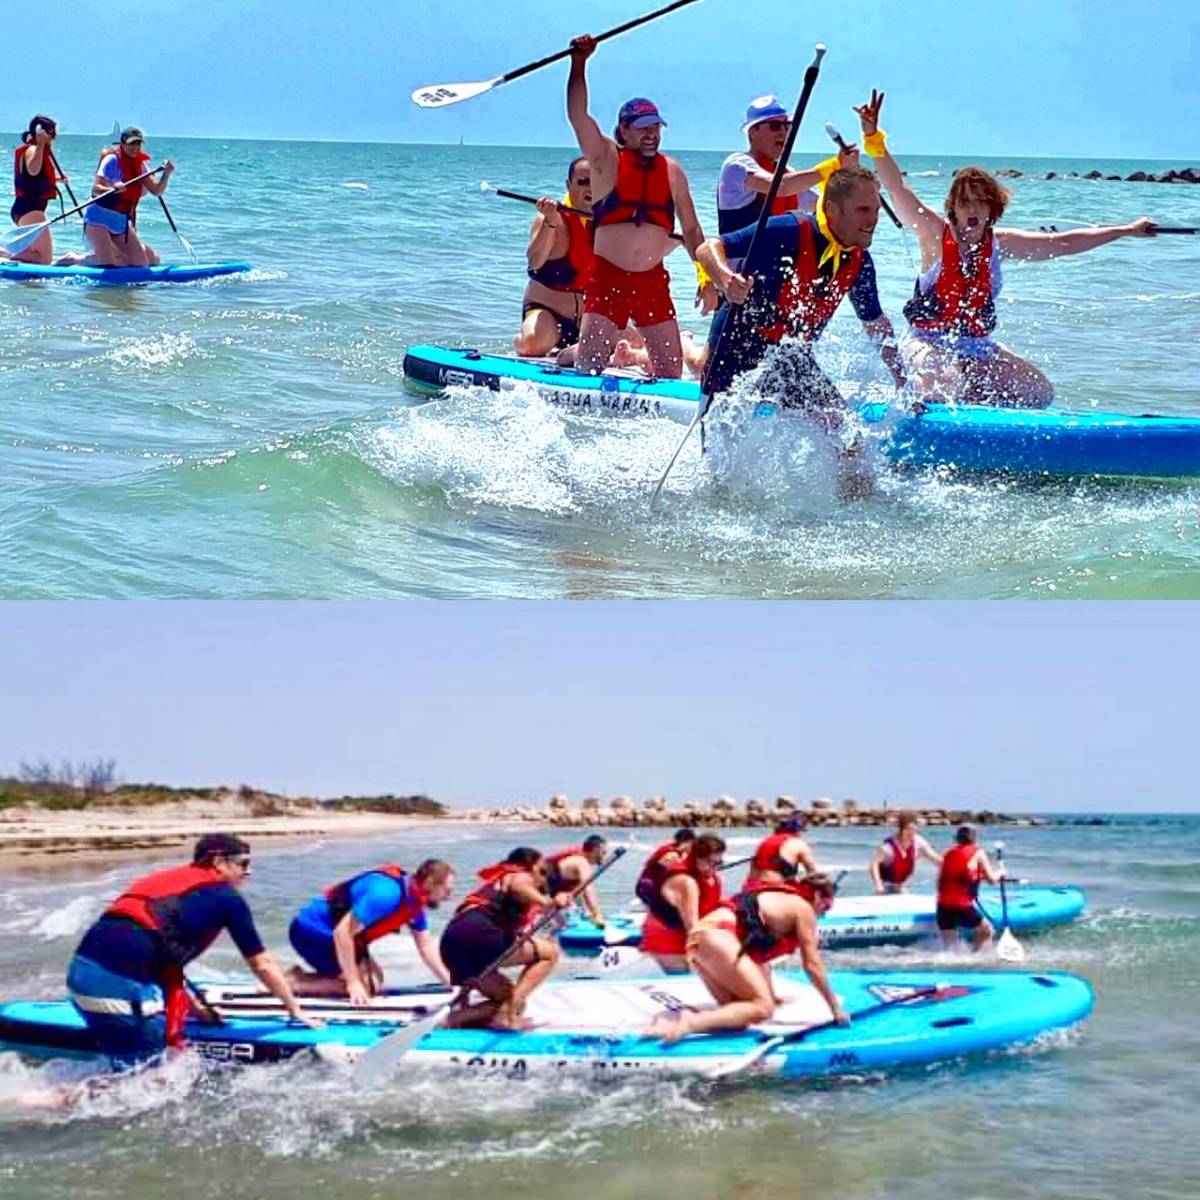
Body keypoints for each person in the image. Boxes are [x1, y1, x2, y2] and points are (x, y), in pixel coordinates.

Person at [853, 89, 1159, 408]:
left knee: (1038, 392)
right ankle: (926, 404)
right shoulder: (933, 235)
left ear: (992, 210)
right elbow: (895, 187)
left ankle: (978, 415)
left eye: (980, 203)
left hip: (976, 346)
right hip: (926, 342)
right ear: (953, 208)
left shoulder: (999, 244)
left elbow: (1065, 243)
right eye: (965, 202)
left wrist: (1126, 230)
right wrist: (873, 137)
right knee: (942, 382)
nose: (972, 210)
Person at [695, 165, 908, 500]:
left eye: (877, 210)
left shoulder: (860, 263)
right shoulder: (787, 231)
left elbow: (876, 324)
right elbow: (709, 248)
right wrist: (725, 280)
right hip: (734, 351)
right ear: (833, 210)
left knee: (850, 438)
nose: (873, 219)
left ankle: (858, 516)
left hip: (789, 358)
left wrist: (903, 380)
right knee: (718, 464)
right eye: (863, 210)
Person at [65, 834, 319, 1066]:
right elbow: (262, 963)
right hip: (119, 991)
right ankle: (43, 1100)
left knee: (133, 1068)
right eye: (243, 863)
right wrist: (294, 1009)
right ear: (218, 862)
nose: (249, 872)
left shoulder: (161, 881)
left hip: (81, 975)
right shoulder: (227, 898)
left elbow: (147, 946)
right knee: (152, 1081)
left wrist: (196, 1010)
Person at [565, 34, 705, 379]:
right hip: (607, 278)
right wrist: (578, 64)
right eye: (643, 128)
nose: (651, 134)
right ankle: (569, 354)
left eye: (656, 128)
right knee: (587, 370)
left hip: (652, 283)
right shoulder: (605, 159)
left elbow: (691, 230)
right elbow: (578, 114)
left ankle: (624, 355)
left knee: (671, 373)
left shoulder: (672, 170)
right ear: (624, 131)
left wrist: (706, 275)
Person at [648, 873, 848, 1041]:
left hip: (700, 941)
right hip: (717, 937)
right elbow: (812, 965)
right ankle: (691, 1022)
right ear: (817, 895)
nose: (822, 915)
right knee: (763, 1008)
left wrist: (772, 994)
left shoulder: (776, 898)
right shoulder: (803, 908)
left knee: (738, 1014)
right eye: (825, 908)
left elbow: (760, 961)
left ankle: (667, 1022)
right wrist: (835, 1008)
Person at [287, 858, 454, 1002]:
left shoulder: (413, 900)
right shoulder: (386, 895)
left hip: (335, 936)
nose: (448, 896)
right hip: (312, 932)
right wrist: (353, 983)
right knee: (366, 987)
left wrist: (451, 983)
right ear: (430, 882)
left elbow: (426, 946)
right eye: (446, 890)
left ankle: (299, 976)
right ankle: (290, 983)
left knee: (375, 980)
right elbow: (342, 933)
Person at [438, 847, 566, 1030]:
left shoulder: (496, 884)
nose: (544, 879)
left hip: (452, 944)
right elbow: (519, 886)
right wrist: (548, 903)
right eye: (543, 871)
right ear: (529, 867)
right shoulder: (519, 875)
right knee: (550, 953)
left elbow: (556, 923)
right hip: (481, 934)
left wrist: (555, 909)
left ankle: (456, 1019)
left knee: (507, 998)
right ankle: (508, 1016)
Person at [718, 95, 857, 238]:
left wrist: (850, 174)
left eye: (786, 125)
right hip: (741, 259)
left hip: (778, 258)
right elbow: (780, 187)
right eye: (775, 126)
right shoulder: (737, 165)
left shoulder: (788, 173)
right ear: (753, 132)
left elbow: (822, 205)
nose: (783, 132)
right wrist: (834, 164)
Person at [516, 157, 596, 357]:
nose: (590, 189)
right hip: (549, 316)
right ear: (569, 185)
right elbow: (535, 261)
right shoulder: (551, 219)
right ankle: (523, 341)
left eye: (596, 182)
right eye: (583, 182)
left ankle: (578, 351)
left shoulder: (608, 224)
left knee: (635, 342)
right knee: (532, 344)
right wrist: (550, 222)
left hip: (588, 320)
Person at [80, 126, 175, 268]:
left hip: (120, 222)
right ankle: (74, 260)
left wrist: (166, 174)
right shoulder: (111, 160)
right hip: (98, 219)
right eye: (131, 143)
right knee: (108, 265)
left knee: (141, 265)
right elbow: (95, 189)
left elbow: (156, 191)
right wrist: (112, 189)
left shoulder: (141, 166)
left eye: (138, 143)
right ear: (123, 143)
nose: (135, 147)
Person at [635, 832, 726, 973]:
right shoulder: (686, 883)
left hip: (683, 935)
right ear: (695, 858)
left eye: (718, 863)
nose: (713, 868)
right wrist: (696, 956)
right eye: (709, 862)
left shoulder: (710, 878)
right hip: (667, 939)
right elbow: (692, 926)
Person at [8, 115, 67, 265]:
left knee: (36, 254)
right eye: (52, 134)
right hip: (30, 209)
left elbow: (34, 179)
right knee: (44, 258)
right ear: (41, 133)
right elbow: (33, 170)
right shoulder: (33, 149)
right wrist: (40, 145)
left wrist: (57, 181)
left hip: (26, 208)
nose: (54, 138)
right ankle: (4, 253)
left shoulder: (35, 150)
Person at [936, 825, 1004, 951]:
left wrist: (977, 877)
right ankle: (975, 958)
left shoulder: (949, 854)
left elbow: (950, 878)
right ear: (974, 839)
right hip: (961, 907)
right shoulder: (978, 852)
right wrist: (1001, 872)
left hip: (942, 906)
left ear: (957, 839)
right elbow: (992, 880)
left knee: (950, 950)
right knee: (987, 930)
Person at [868, 811, 942, 894]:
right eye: (908, 829)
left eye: (914, 830)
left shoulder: (918, 841)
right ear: (901, 829)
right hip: (885, 887)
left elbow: (935, 858)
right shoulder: (889, 847)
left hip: (901, 887)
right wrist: (878, 885)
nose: (911, 833)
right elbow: (874, 864)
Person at [543, 834, 608, 925]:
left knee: (563, 924)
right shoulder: (581, 862)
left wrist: (586, 913)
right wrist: (597, 915)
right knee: (560, 925)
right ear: (595, 849)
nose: (604, 856)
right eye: (603, 852)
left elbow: (578, 893)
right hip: (540, 892)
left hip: (549, 892)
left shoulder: (579, 862)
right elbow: (588, 890)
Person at [746, 814, 821, 884]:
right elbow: (812, 872)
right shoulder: (798, 843)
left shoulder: (765, 841)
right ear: (797, 831)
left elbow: (753, 868)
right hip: (777, 884)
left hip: (753, 884)